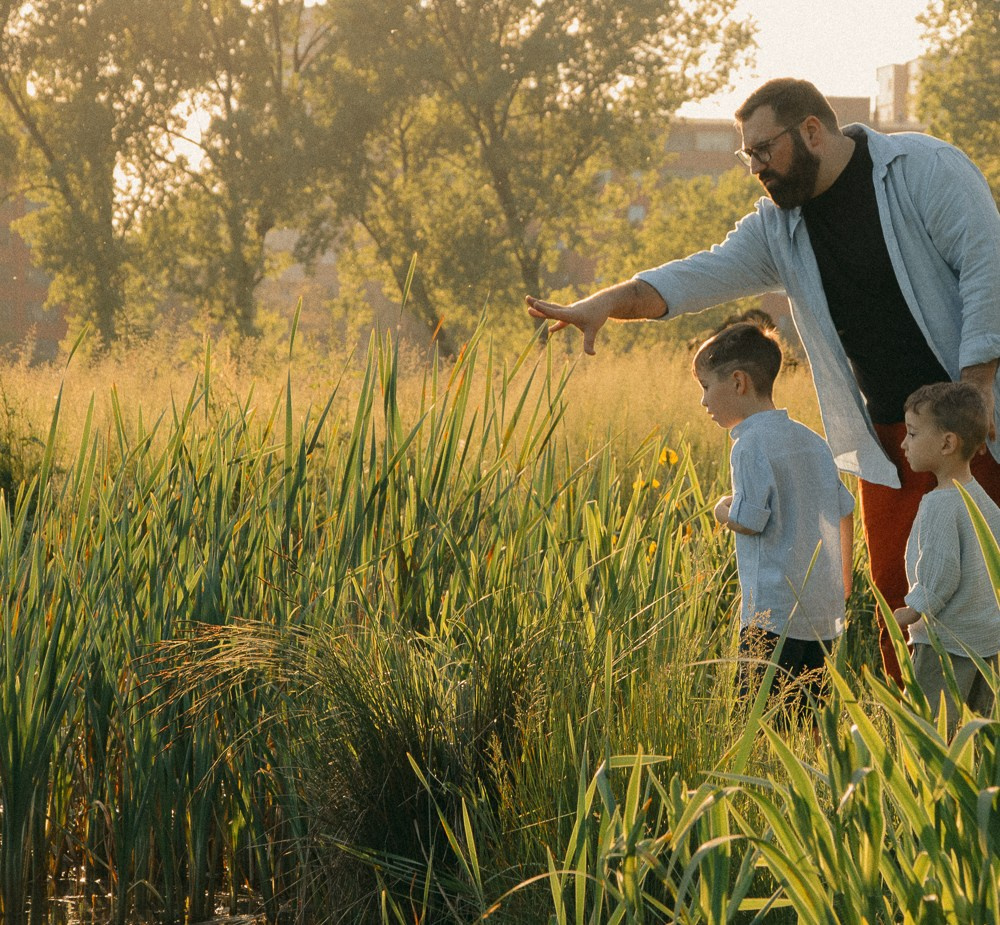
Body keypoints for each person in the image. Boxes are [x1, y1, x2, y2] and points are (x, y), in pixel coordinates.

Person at [526, 78, 1000, 684]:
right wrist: (604, 302)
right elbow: (699, 276)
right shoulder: (780, 226)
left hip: (966, 419)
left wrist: (978, 388)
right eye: (746, 156)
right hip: (892, 438)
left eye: (763, 150)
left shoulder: (924, 169)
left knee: (984, 581)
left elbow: (987, 265)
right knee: (897, 596)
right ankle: (925, 752)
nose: (756, 169)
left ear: (810, 132)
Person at [694, 320, 854, 712]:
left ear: (738, 382)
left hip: (771, 617)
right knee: (812, 721)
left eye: (705, 387)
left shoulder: (749, 445)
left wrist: (721, 509)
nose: (703, 402)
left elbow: (750, 520)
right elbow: (845, 511)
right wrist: (843, 581)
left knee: (758, 721)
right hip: (821, 614)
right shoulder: (812, 441)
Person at [893, 382, 1000, 729]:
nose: (903, 443)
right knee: (979, 733)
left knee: (928, 731)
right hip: (985, 641)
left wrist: (914, 609)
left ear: (947, 443)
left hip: (945, 641)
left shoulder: (940, 504)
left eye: (911, 433)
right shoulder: (981, 498)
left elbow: (942, 573)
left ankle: (921, 784)